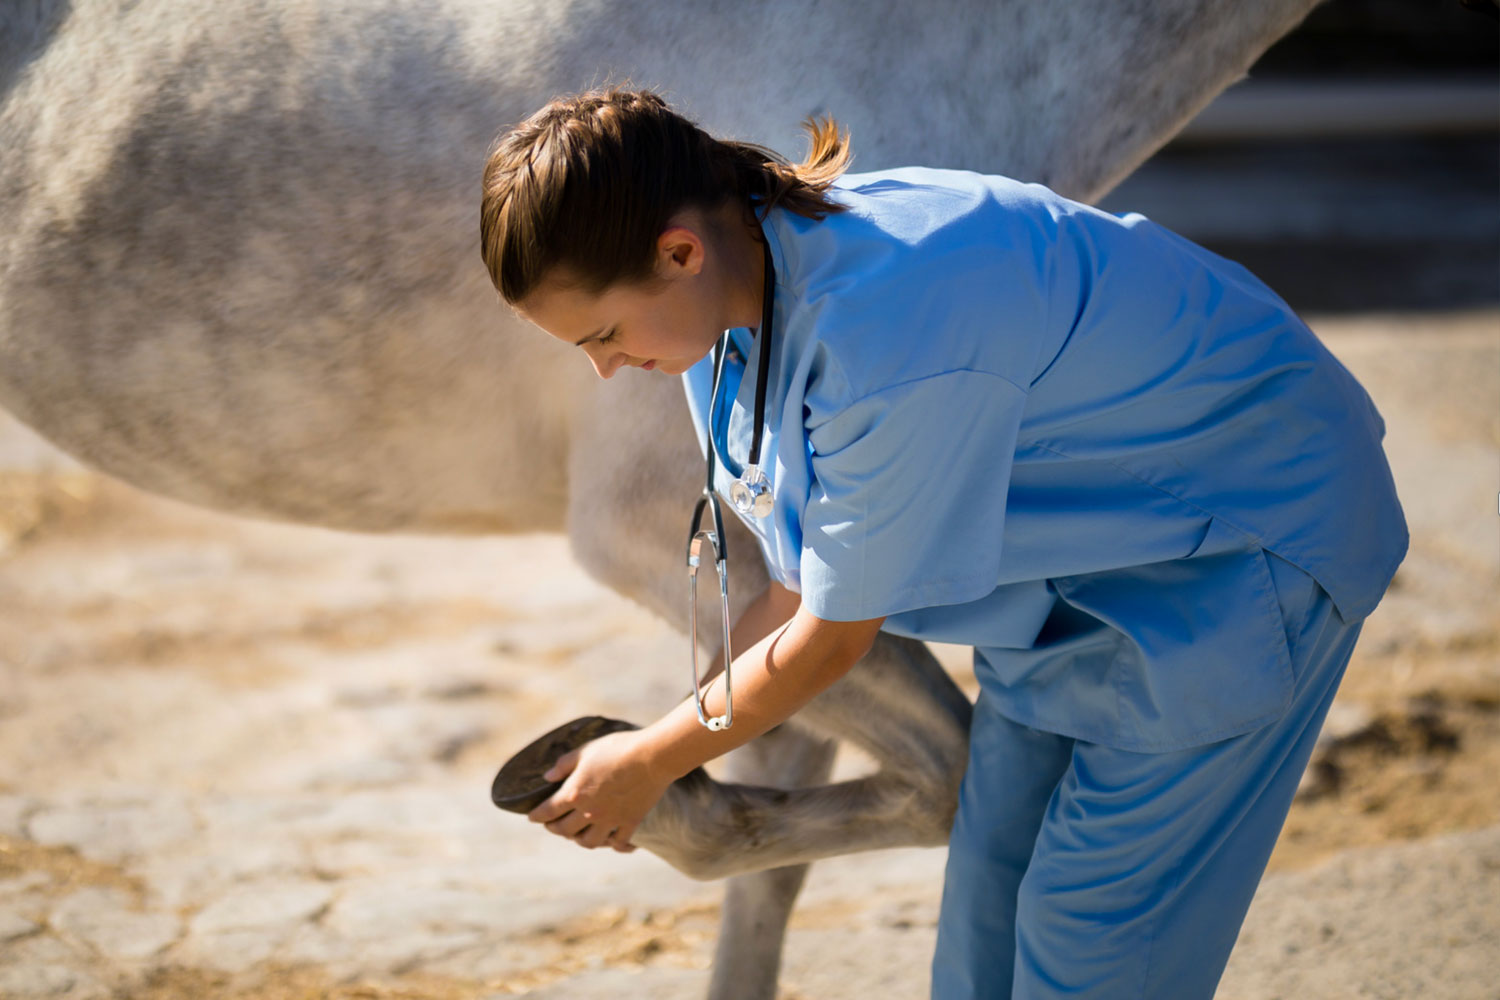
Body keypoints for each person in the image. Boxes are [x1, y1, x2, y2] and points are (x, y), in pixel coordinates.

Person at [477, 87, 1407, 999]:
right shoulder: (732, 300)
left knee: (1090, 939)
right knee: (987, 914)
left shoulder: (882, 330)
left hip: (1241, 548)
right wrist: (668, 745)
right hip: (1078, 584)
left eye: (601, 336)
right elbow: (799, 589)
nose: (603, 370)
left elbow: (833, 640)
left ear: (676, 250)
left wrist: (655, 760)